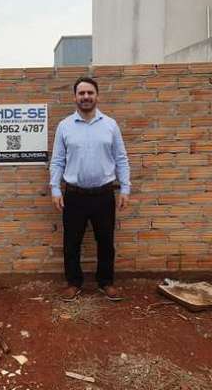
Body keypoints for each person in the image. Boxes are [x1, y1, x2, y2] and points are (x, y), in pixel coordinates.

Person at [49, 76, 131, 302]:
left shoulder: (110, 125)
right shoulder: (65, 126)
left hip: (104, 195)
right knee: (71, 242)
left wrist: (125, 188)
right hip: (74, 196)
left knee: (105, 242)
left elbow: (121, 158)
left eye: (90, 93)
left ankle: (106, 282)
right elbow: (57, 160)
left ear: (97, 96)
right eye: (81, 93)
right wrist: (55, 188)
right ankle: (73, 283)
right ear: (75, 97)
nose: (86, 97)